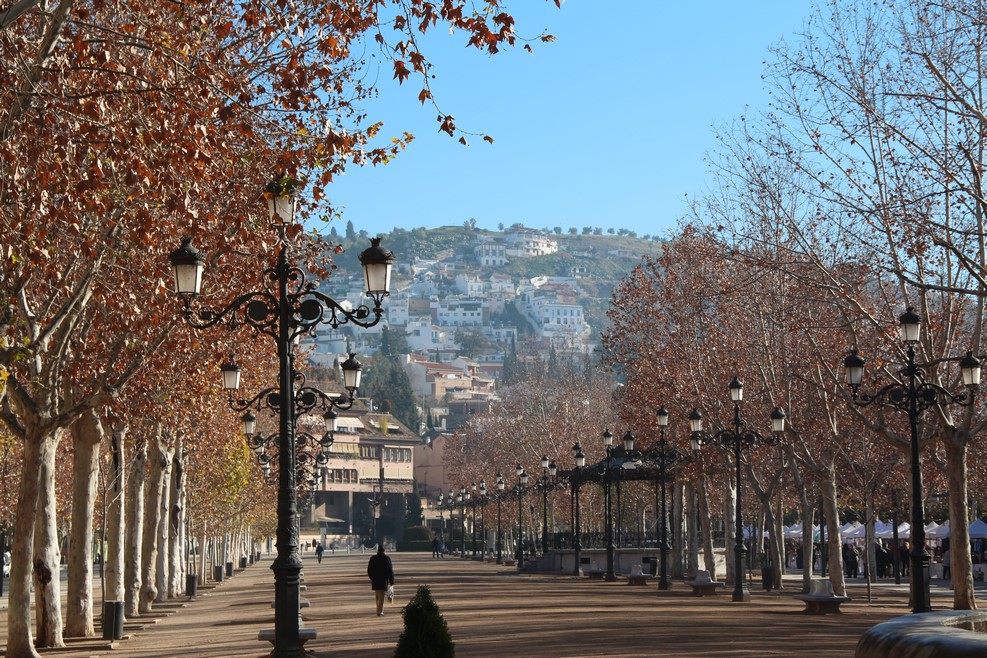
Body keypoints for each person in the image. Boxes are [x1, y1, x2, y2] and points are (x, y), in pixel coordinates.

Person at [367, 545, 394, 617]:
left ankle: (378, 609)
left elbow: (369, 570)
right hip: (383, 580)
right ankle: (380, 610)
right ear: (384, 551)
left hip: (375, 579)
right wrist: (391, 581)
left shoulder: (373, 558)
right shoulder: (386, 558)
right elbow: (390, 570)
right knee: (382, 595)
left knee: (377, 596)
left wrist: (372, 577)